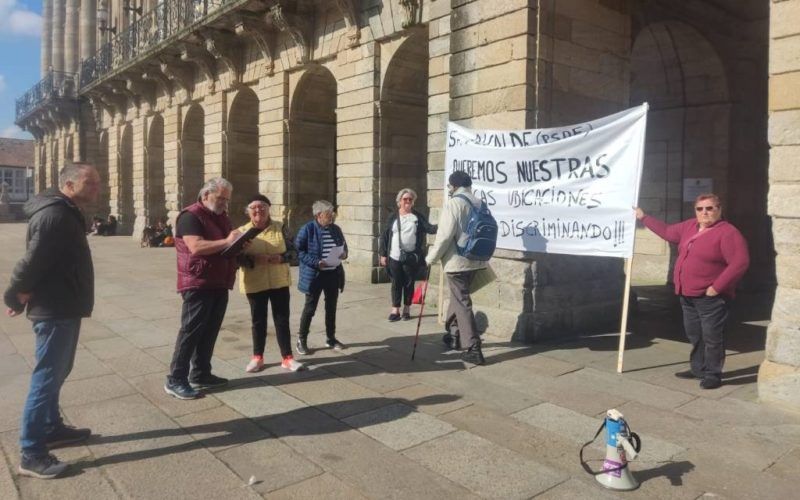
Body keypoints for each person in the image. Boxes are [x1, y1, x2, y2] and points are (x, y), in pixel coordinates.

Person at [3, 163, 100, 479]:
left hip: (64, 303)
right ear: (69, 185)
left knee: (59, 369)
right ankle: (31, 453)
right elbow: (34, 259)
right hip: (56, 307)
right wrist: (14, 293)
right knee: (46, 376)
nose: (96, 188)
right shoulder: (55, 215)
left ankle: (50, 427)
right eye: (90, 183)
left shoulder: (64, 210)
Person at [635, 193, 749, 389]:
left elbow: (740, 262)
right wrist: (643, 217)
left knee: (713, 336)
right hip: (687, 294)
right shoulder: (690, 226)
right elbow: (668, 232)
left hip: (710, 297)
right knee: (695, 334)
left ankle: (713, 374)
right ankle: (698, 369)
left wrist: (717, 287)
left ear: (719, 210)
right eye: (700, 209)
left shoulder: (728, 232)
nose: (704, 212)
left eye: (710, 208)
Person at [165, 178, 240, 400]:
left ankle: (200, 373)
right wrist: (227, 241)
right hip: (197, 282)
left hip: (218, 281)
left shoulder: (220, 217)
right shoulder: (190, 216)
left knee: (210, 330)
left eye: (227, 200)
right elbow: (196, 246)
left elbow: (226, 243)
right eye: (220, 198)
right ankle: (175, 379)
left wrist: (238, 243)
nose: (224, 204)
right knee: (191, 331)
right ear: (206, 194)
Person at [425, 171, 488, 365]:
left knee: (461, 301)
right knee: (458, 297)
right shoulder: (479, 202)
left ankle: (473, 347)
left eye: (449, 186)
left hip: (457, 261)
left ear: (454, 186)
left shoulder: (454, 203)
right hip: (476, 259)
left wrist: (430, 258)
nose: (449, 189)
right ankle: (453, 334)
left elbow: (444, 236)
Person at [237, 194, 305, 373]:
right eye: (254, 208)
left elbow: (296, 252)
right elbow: (235, 258)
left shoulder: (281, 228)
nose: (258, 211)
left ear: (269, 209)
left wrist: (281, 257)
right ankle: (257, 357)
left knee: (282, 320)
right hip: (254, 282)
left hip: (279, 281)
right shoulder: (242, 231)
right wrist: (252, 259)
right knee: (258, 321)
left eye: (262, 207)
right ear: (248, 212)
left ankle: (287, 358)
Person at [295, 200, 348, 355]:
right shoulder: (307, 229)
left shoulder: (336, 229)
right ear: (319, 215)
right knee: (310, 308)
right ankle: (302, 339)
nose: (331, 217)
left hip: (333, 273)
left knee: (331, 307)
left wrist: (344, 254)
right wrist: (316, 262)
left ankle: (330, 338)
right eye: (328, 214)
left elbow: (343, 247)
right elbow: (299, 251)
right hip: (315, 275)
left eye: (332, 214)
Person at [379, 188, 437, 321]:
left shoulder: (417, 216)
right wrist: (383, 254)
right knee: (396, 282)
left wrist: (444, 226)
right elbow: (385, 236)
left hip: (411, 256)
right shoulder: (393, 216)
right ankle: (395, 309)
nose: (408, 201)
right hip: (394, 255)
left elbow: (429, 228)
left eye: (410, 199)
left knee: (409, 283)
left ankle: (407, 308)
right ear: (399, 201)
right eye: (405, 199)